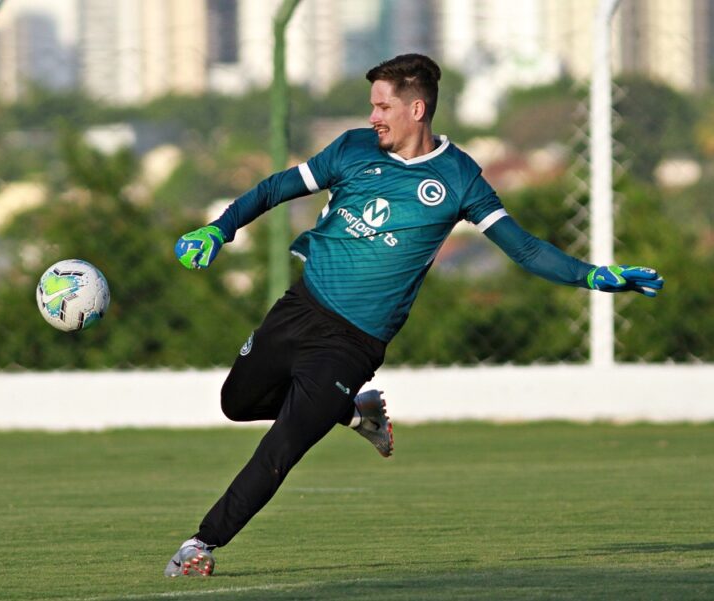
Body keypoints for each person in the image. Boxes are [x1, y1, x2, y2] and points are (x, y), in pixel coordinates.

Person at [164, 53, 663, 577]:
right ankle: (357, 412)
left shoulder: (458, 177)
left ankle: (201, 543)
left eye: (383, 106)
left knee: (286, 441)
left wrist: (590, 275)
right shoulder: (353, 149)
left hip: (351, 343)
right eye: (373, 105)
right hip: (299, 308)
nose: (373, 116)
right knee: (236, 403)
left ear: (417, 108)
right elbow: (274, 188)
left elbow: (525, 248)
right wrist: (220, 228)